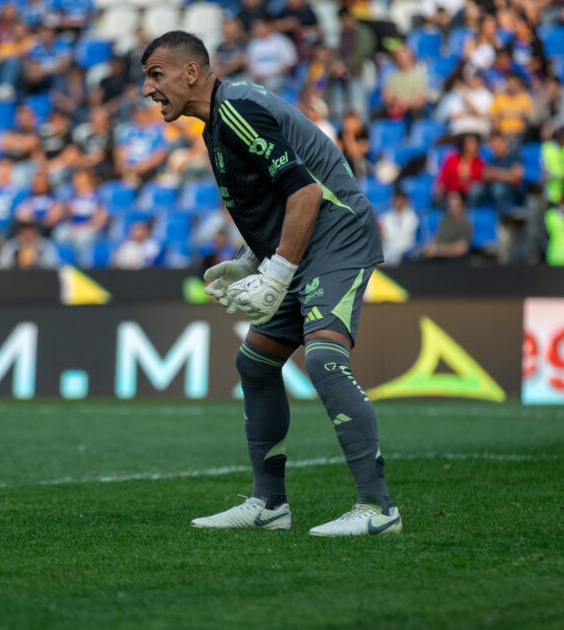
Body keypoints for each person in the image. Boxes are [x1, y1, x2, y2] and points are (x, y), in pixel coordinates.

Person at [141, 30, 400, 536]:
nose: (149, 89)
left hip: (336, 233)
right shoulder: (216, 126)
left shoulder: (236, 108)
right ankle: (269, 504)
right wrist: (248, 259)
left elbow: (304, 192)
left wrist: (276, 270)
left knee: (324, 359)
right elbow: (279, 197)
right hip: (303, 242)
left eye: (156, 75)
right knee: (255, 363)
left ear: (190, 72)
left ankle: (377, 508)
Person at [424, 191, 472, 261]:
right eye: (450, 206)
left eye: (456, 206)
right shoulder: (445, 219)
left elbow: (462, 248)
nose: (452, 209)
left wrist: (438, 250)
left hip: (453, 261)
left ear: (463, 207)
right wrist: (429, 246)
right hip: (436, 258)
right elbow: (437, 236)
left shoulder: (466, 224)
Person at [380, 189, 419, 265]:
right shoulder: (385, 218)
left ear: (405, 201)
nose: (398, 202)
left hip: (407, 252)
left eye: (400, 200)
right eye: (396, 199)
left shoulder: (413, 218)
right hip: (390, 251)